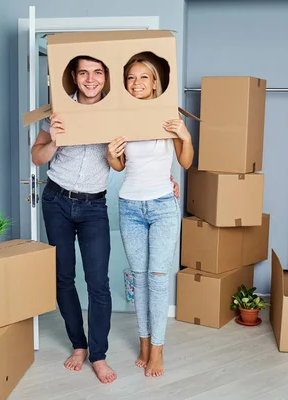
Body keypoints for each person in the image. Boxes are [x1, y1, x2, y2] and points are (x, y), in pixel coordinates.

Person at [30, 55, 179, 384]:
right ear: (73, 76)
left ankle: (98, 355)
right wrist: (54, 138)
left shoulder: (118, 113)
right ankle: (79, 346)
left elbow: (130, 159)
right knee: (64, 278)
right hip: (56, 200)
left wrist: (166, 176)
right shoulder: (58, 111)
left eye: (97, 72)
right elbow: (37, 156)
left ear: (106, 78)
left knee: (98, 284)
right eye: (83, 72)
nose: (91, 79)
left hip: (94, 207)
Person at [106, 58, 194, 378]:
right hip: (129, 205)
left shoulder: (168, 117)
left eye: (145, 77)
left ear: (156, 83)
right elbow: (118, 167)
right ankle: (143, 343)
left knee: (157, 279)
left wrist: (184, 134)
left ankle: (158, 348)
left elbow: (185, 162)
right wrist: (111, 151)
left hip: (161, 206)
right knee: (140, 277)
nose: (137, 82)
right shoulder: (121, 119)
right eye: (131, 77)